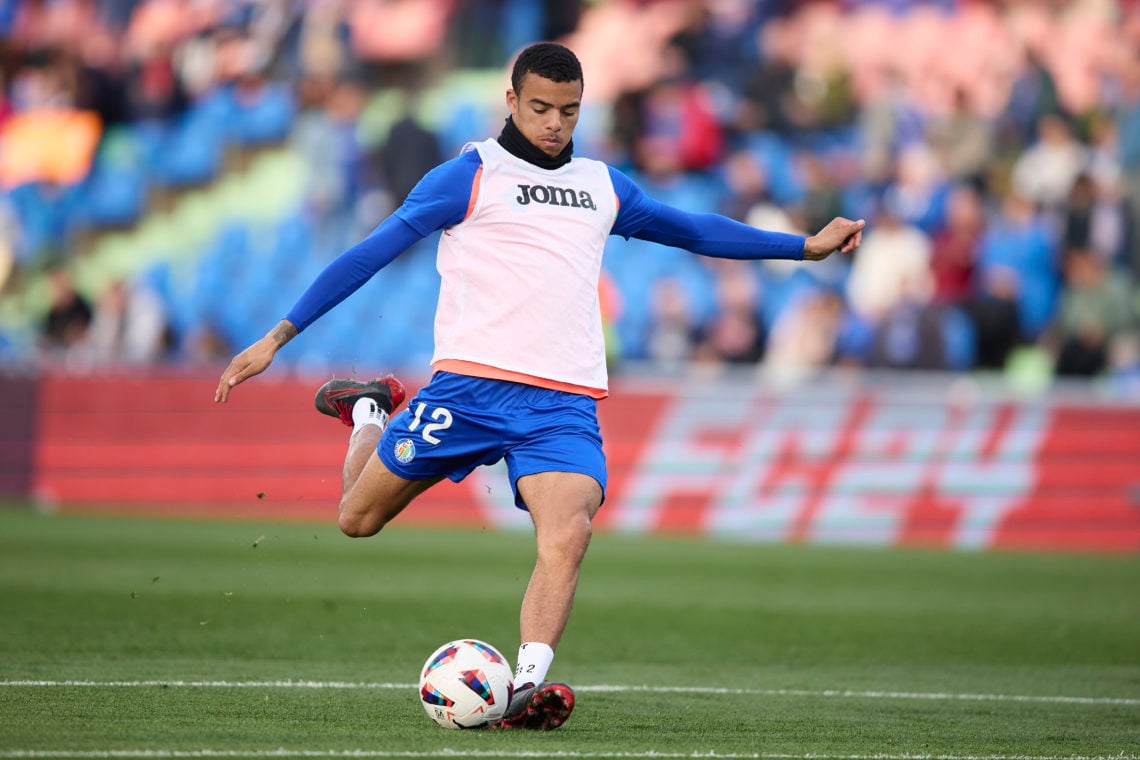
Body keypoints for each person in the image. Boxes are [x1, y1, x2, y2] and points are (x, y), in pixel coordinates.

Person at [214, 42, 863, 730]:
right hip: (467, 390)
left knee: (569, 532)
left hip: (560, 403)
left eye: (570, 110)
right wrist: (279, 335)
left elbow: (694, 229)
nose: (556, 122)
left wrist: (803, 247)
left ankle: (523, 691)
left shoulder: (602, 186)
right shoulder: (468, 175)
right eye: (542, 108)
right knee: (356, 518)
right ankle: (370, 409)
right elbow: (371, 251)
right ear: (513, 102)